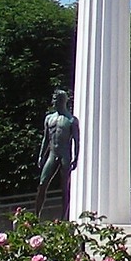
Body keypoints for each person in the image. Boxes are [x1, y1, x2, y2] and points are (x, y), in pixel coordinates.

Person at [34, 89, 80, 217]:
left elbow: (76, 140)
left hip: (65, 154)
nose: (53, 102)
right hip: (52, 153)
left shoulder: (71, 120)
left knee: (64, 187)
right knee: (42, 183)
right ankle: (36, 216)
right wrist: (41, 155)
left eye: (56, 99)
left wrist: (76, 157)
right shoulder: (49, 118)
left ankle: (63, 217)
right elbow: (46, 138)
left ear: (62, 101)